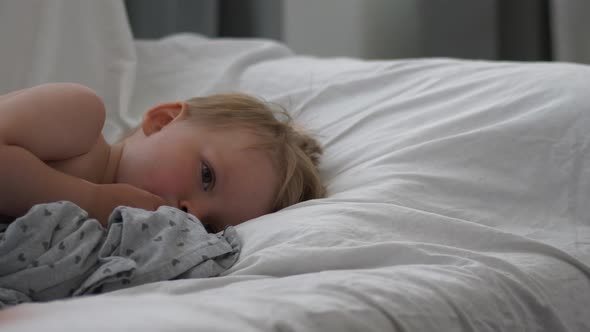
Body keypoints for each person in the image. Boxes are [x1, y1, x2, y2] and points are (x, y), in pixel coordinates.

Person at [0, 83, 326, 232]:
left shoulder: (113, 240)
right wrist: (89, 198)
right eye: (207, 176)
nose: (191, 212)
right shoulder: (79, 116)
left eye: (209, 226)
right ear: (163, 121)